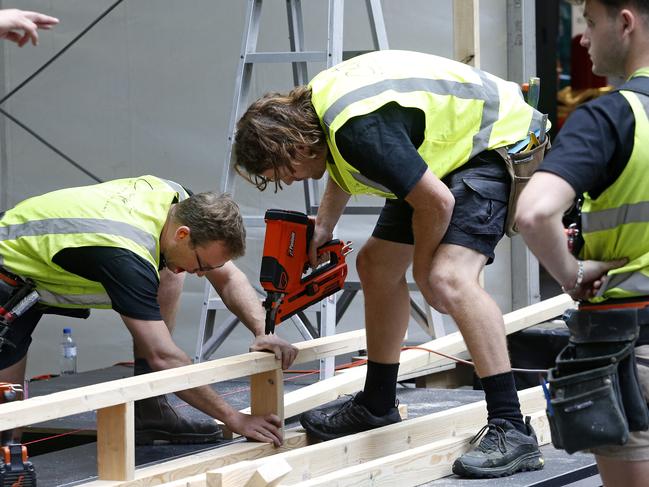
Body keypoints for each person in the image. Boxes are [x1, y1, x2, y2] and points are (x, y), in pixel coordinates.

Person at [234, 49, 548, 478]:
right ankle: (378, 403)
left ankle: (512, 428)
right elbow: (349, 164)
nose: (287, 180)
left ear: (295, 144)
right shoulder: (321, 114)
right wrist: (324, 226)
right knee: (377, 264)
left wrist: (423, 271)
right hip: (448, 154)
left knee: (449, 277)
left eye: (282, 169)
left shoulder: (356, 131)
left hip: (499, 141)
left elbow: (436, 202)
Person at [0, 175, 298, 447]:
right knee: (6, 419)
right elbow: (164, 356)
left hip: (31, 276)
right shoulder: (126, 255)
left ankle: (150, 407)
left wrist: (264, 332)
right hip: (7, 276)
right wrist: (234, 419)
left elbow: (229, 277)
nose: (201, 274)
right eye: (202, 264)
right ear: (183, 234)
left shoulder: (179, 203)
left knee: (172, 270)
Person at [516, 1, 649, 485]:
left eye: (591, 23)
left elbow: (533, 213)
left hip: (633, 344)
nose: (585, 38)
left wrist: (572, 276)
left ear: (626, 22)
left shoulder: (611, 116)